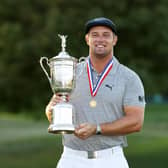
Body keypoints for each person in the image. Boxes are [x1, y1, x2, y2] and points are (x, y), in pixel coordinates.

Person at [45, 17, 146, 168]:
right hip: (71, 158)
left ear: (115, 40)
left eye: (106, 35)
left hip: (111, 159)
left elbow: (136, 122)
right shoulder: (70, 71)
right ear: (87, 39)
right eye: (95, 35)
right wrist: (50, 109)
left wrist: (97, 128)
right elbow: (53, 115)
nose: (100, 39)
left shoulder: (128, 77)